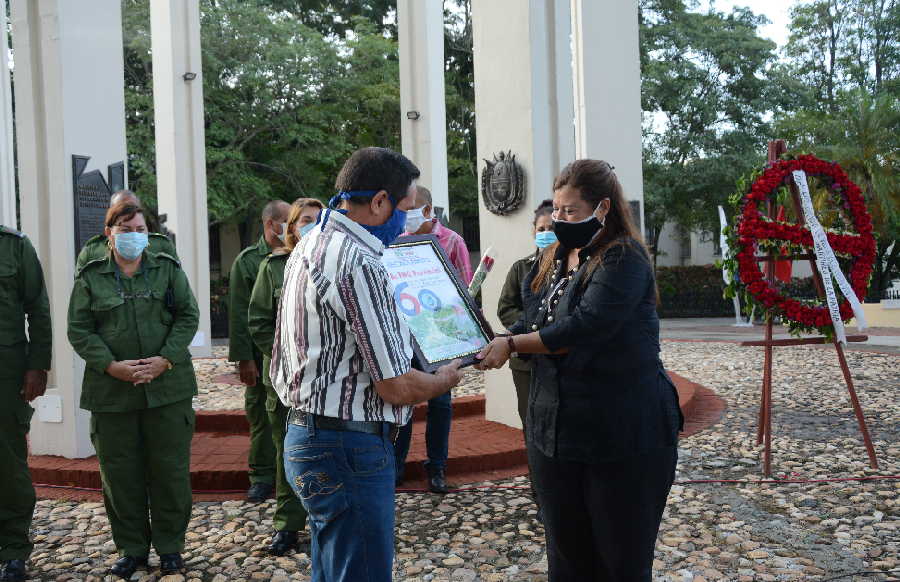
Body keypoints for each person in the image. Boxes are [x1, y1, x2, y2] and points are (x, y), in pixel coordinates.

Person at [475, 160, 683, 581]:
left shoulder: (623, 258)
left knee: (619, 556)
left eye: (570, 211)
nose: (559, 218)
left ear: (602, 207)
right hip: (554, 428)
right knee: (567, 553)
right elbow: (535, 318)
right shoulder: (552, 257)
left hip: (621, 429)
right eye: (557, 209)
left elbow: (583, 328)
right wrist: (489, 339)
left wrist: (511, 345)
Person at [271, 147, 464, 582]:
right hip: (349, 446)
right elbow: (395, 386)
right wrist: (447, 376)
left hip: (308, 434)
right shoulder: (360, 261)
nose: (410, 221)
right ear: (379, 202)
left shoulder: (311, 241)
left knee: (336, 565)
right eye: (407, 209)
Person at [67, 201, 200, 579]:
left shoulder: (165, 265)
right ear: (110, 233)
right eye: (125, 230)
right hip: (112, 393)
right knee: (120, 476)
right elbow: (79, 328)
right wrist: (111, 366)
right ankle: (132, 548)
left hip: (168, 388)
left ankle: (171, 547)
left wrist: (166, 359)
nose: (134, 236)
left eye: (140, 228)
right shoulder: (91, 274)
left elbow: (188, 314)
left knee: (170, 473)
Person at [247, 197, 322, 555]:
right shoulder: (272, 267)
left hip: (324, 380)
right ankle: (287, 526)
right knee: (285, 454)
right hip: (283, 380)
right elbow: (258, 322)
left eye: (318, 219)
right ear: (290, 227)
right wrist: (286, 359)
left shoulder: (332, 262)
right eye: (305, 219)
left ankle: (324, 521)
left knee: (323, 452)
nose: (312, 224)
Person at [393, 185, 474, 493]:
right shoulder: (395, 242)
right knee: (403, 402)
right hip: (403, 336)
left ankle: (437, 467)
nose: (405, 217)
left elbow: (466, 292)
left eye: (410, 210)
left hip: (441, 336)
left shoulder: (452, 242)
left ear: (427, 210)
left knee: (441, 403)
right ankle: (397, 465)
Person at [228, 199, 291, 502]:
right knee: (260, 417)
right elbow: (240, 313)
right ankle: (261, 475)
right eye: (287, 220)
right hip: (259, 354)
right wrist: (243, 359)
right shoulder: (248, 260)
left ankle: (284, 477)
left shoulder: (295, 254)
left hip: (291, 355)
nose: (292, 227)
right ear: (271, 224)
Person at [0, 226, 51, 582]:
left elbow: (38, 308)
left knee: (8, 461)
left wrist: (38, 364)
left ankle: (14, 549)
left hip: (6, 370)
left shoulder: (14, 246)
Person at [497, 199, 554, 428]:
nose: (546, 233)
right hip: (525, 360)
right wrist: (533, 326)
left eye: (552, 228)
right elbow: (505, 307)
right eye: (541, 229)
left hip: (558, 355)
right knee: (530, 421)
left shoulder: (571, 266)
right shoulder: (521, 268)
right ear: (534, 231)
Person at [75, 190, 178, 273]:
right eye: (121, 210)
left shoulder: (163, 246)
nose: (129, 215)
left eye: (134, 210)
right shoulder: (91, 253)